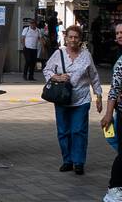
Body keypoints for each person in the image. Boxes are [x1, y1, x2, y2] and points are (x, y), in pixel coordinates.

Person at [43, 23, 102, 176]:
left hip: (81, 98)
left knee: (78, 131)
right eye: (70, 37)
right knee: (63, 131)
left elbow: (94, 76)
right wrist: (56, 76)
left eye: (76, 37)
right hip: (62, 98)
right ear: (66, 38)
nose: (73, 40)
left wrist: (99, 95)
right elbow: (47, 69)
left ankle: (78, 162)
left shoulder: (86, 55)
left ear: (80, 39)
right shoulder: (58, 54)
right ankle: (67, 160)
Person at [100, 22, 122, 202]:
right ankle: (113, 189)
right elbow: (114, 90)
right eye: (118, 33)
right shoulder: (120, 62)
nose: (120, 35)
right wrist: (108, 115)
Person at [21, 17, 41, 81]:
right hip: (27, 48)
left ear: (35, 24)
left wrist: (42, 45)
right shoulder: (26, 29)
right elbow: (23, 38)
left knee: (33, 63)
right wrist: (24, 46)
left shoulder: (38, 30)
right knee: (28, 61)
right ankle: (24, 75)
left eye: (33, 23)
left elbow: (40, 38)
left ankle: (31, 76)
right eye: (31, 23)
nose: (32, 24)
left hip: (34, 49)